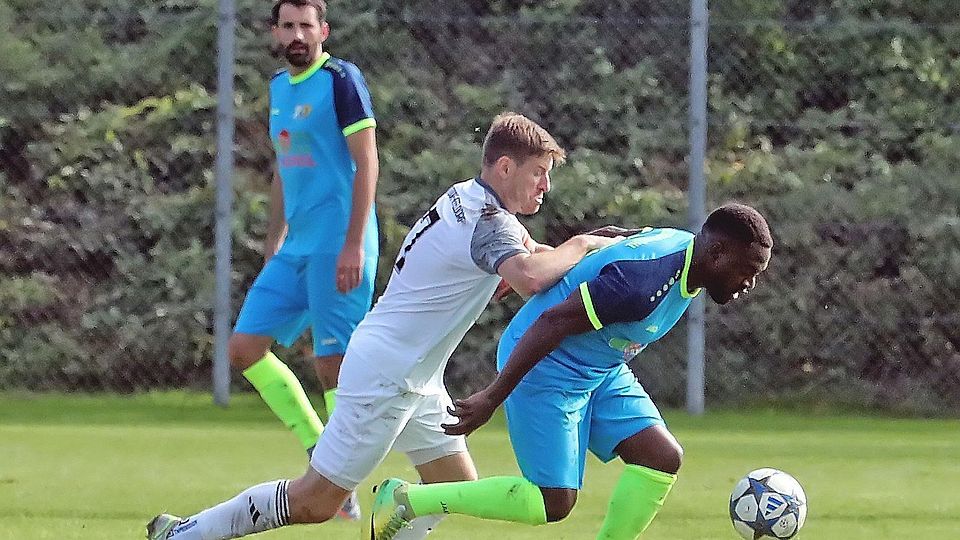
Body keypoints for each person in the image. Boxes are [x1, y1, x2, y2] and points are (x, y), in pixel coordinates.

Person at [146, 112, 624, 540]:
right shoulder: (488, 222)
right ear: (504, 167)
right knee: (314, 502)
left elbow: (535, 257)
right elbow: (528, 276)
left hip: (410, 375)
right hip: (386, 376)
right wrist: (581, 244)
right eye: (538, 174)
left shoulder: (471, 199)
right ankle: (186, 534)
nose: (545, 187)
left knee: (452, 488)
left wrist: (602, 250)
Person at [371, 203, 773, 540]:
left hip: (600, 367)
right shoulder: (641, 285)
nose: (749, 283)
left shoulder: (683, 252)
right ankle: (407, 500)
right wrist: (493, 395)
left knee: (661, 457)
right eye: (748, 270)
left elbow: (614, 237)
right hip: (547, 365)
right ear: (717, 253)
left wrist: (569, 256)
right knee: (553, 501)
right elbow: (551, 323)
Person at [226, 0, 380, 521]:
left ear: (323, 31)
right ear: (275, 32)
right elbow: (283, 168)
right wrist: (275, 239)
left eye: (305, 26)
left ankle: (341, 483)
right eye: (287, 25)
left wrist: (355, 243)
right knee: (244, 347)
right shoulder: (277, 87)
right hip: (296, 247)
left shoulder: (342, 80)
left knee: (332, 363)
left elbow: (366, 164)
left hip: (339, 240)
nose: (296, 34)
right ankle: (320, 450)